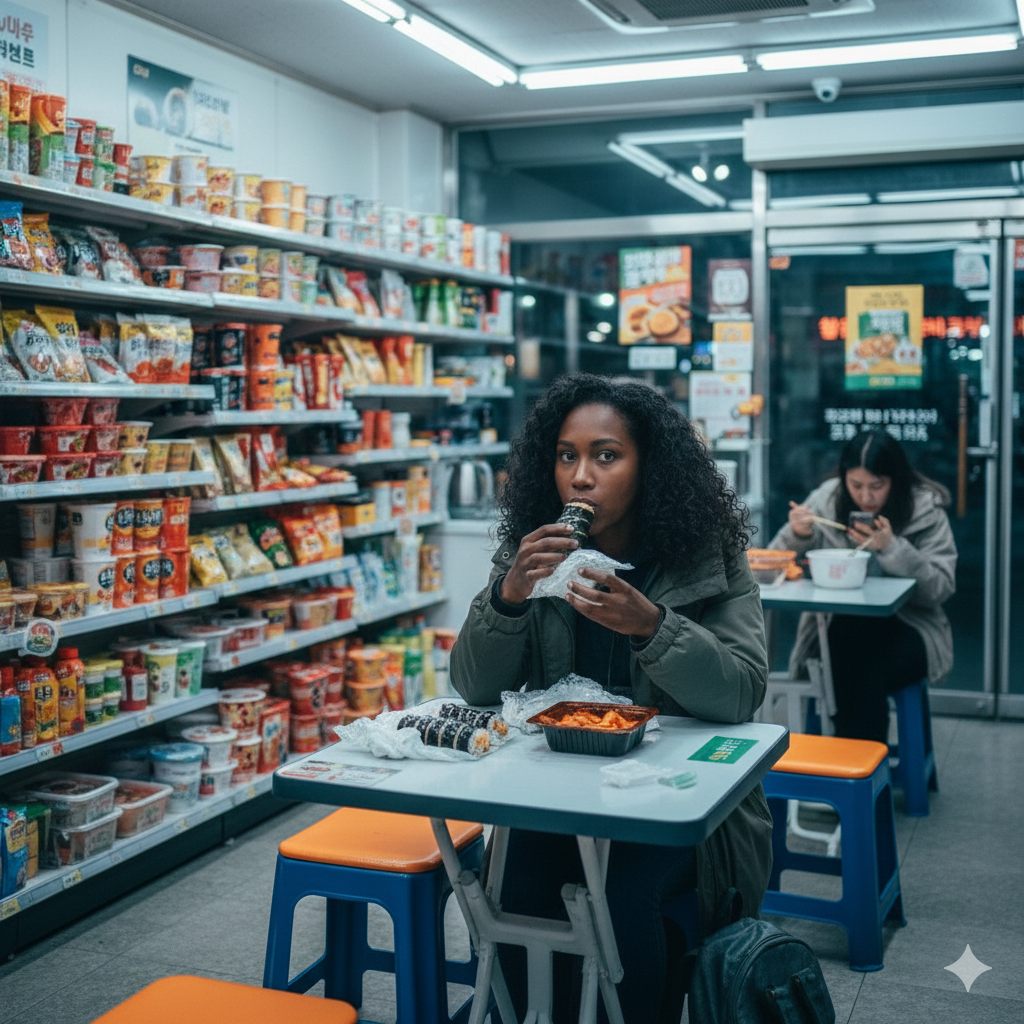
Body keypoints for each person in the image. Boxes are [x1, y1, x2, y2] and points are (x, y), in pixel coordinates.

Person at [450, 373, 773, 1024]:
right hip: (557, 791)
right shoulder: (534, 554)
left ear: (650, 466)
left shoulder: (709, 558)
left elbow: (741, 691)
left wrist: (653, 627)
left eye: (606, 455)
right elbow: (474, 688)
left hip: (676, 804)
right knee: (512, 889)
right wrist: (508, 598)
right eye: (567, 455)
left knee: (621, 902)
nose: (581, 476)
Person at [769, 429, 957, 743]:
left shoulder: (924, 509)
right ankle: (862, 772)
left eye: (877, 486)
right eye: (856, 486)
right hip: (836, 625)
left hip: (912, 626)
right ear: (844, 479)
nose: (866, 498)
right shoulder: (827, 499)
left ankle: (857, 770)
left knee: (857, 667)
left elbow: (941, 587)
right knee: (847, 652)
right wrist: (798, 533)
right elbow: (773, 560)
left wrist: (892, 548)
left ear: (895, 481)